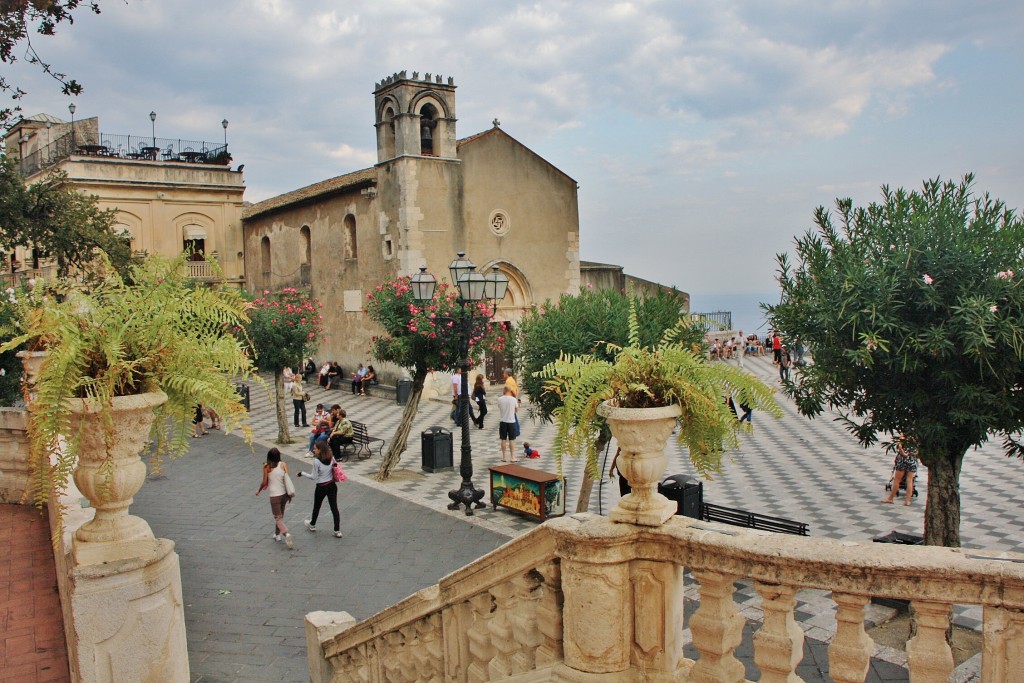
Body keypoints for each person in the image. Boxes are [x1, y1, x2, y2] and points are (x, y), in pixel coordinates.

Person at [297, 441, 342, 537]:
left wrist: (302, 473)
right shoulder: (332, 458)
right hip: (332, 486)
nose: (313, 450)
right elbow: (335, 468)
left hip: (321, 487)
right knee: (334, 508)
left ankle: (312, 524)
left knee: (317, 507)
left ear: (320, 450)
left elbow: (313, 477)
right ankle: (337, 530)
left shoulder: (317, 461)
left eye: (315, 448)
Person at [255, 448, 293, 548]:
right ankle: (277, 534)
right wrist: (289, 495)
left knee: (277, 518)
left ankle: (286, 533)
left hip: (274, 495)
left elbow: (264, 482)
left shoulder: (267, 467)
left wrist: (259, 490)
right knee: (280, 516)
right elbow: (286, 480)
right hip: (284, 494)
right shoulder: (283, 465)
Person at [882, 439, 917, 506]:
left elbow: (900, 447)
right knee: (910, 481)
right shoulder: (916, 438)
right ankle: (907, 501)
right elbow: (916, 451)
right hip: (912, 460)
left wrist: (903, 453)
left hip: (902, 461)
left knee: (897, 480)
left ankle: (890, 498)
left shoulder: (903, 436)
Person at [497, 386, 519, 463]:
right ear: (510, 391)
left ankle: (504, 457)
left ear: (504, 390)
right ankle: (512, 457)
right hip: (511, 421)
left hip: (503, 421)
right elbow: (516, 410)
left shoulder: (499, 399)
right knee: (511, 439)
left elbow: (499, 407)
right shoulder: (513, 399)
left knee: (503, 439)